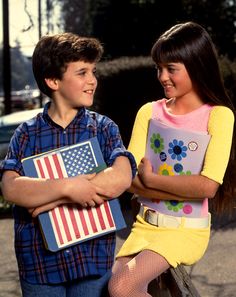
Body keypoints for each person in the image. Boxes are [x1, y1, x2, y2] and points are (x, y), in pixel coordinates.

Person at [0, 32, 136, 297]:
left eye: (93, 71)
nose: (92, 80)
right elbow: (11, 188)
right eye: (82, 72)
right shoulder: (27, 134)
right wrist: (68, 187)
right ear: (53, 81)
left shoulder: (104, 128)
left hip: (93, 261)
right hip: (40, 266)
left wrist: (48, 200)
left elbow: (121, 176)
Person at [108, 21, 235, 297]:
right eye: (159, 68)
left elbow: (207, 186)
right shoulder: (148, 112)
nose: (162, 76)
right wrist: (144, 182)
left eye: (171, 69)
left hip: (184, 231)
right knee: (111, 288)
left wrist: (151, 179)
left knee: (122, 287)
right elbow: (128, 177)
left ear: (197, 66)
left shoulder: (219, 116)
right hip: (143, 226)